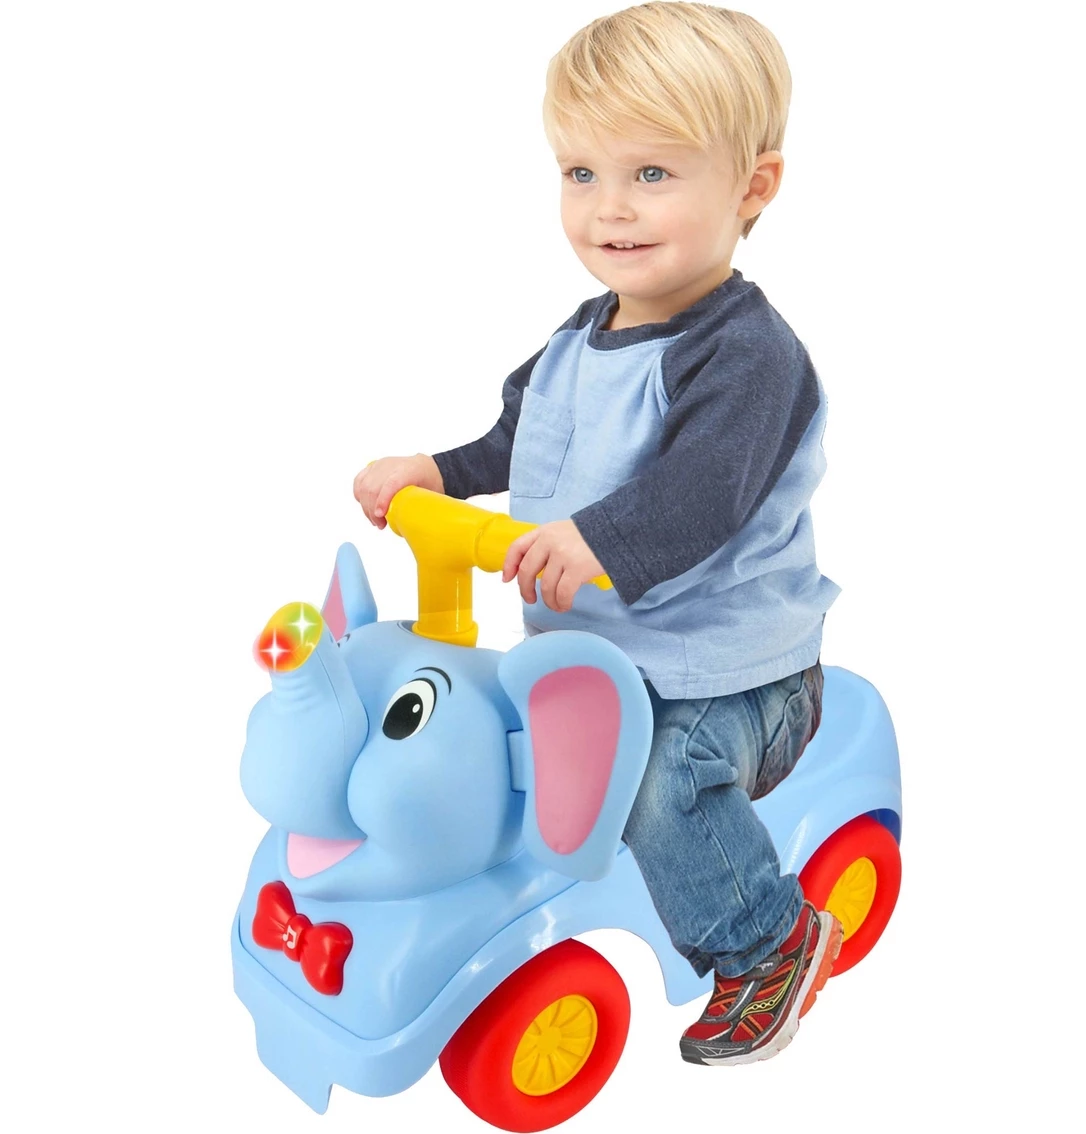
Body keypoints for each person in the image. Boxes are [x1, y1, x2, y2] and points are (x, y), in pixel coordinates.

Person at [353, 1, 842, 1066]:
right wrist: (440, 473)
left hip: (727, 677)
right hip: (597, 659)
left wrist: (600, 542)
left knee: (661, 781)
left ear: (753, 186)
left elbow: (704, 495)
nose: (609, 207)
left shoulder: (749, 356)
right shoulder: (580, 339)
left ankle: (766, 942)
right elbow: (520, 440)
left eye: (651, 173)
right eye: (581, 173)